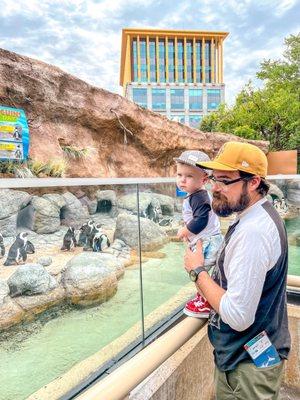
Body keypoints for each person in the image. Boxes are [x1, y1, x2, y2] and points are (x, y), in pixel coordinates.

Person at [184, 141, 291, 399]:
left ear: (253, 182)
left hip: (246, 370)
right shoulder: (256, 215)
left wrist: (197, 271)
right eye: (213, 179)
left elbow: (239, 315)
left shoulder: (253, 232)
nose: (214, 188)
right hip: (252, 358)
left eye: (224, 180)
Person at [174, 150, 223, 318]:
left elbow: (201, 220)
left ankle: (205, 302)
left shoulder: (199, 197)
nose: (182, 179)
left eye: (189, 176)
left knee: (198, 272)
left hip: (207, 242)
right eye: (179, 174)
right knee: (201, 272)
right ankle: (204, 299)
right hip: (207, 239)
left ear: (203, 180)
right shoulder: (195, 195)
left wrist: (184, 231)